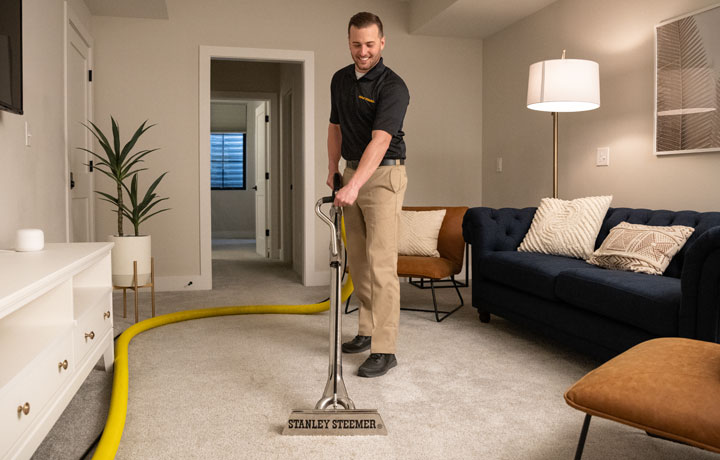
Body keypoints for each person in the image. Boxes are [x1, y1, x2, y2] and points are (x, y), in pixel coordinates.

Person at [327, 11, 410, 378]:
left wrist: (355, 184)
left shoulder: (393, 87)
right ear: (349, 42)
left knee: (381, 264)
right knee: (357, 260)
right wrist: (334, 171)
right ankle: (365, 329)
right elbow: (334, 128)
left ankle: (385, 348)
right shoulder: (340, 80)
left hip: (383, 175)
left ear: (383, 43)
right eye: (356, 44)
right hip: (351, 173)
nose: (363, 52)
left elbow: (380, 141)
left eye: (370, 44)